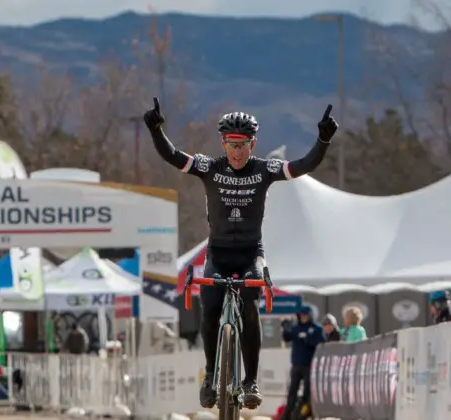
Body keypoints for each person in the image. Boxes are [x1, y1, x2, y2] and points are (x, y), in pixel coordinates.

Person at [144, 98, 338, 409]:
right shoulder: (209, 167)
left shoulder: (265, 170)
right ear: (223, 143)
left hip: (251, 254)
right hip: (218, 254)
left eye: (243, 144)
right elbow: (172, 156)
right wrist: (156, 130)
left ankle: (251, 381)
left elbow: (303, 165)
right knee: (208, 311)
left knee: (250, 310)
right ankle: (210, 376)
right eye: (231, 144)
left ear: (253, 144)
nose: (236, 151)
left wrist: (323, 140)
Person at [281, 306, 324, 420]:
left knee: (307, 393)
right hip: (296, 365)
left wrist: (307, 338)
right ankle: (287, 416)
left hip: (309, 366)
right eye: (302, 315)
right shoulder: (296, 328)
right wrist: (285, 328)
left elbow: (320, 344)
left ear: (310, 315)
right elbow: (287, 338)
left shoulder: (316, 328)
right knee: (292, 392)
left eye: (306, 315)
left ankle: (304, 415)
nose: (303, 317)